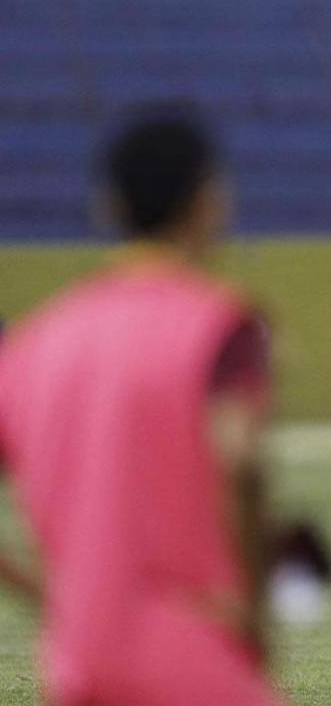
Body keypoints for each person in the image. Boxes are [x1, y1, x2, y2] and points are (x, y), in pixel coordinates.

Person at [0, 107, 283, 705]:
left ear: (110, 208)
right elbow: (239, 462)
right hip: (193, 654)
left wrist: (55, 600)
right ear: (208, 202)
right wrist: (256, 613)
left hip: (79, 664)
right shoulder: (221, 326)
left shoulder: (35, 341)